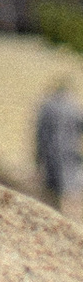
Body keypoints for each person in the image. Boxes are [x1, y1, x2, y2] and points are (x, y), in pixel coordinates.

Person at [37, 77, 82, 210]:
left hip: (51, 155)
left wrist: (38, 158)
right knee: (71, 192)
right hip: (70, 155)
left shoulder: (47, 107)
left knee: (51, 192)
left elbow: (40, 134)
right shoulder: (74, 107)